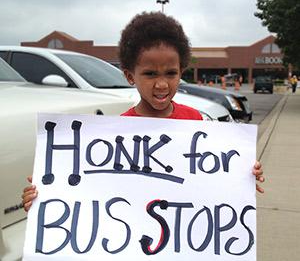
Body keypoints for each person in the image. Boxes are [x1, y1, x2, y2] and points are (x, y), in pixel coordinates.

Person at [22, 12, 264, 212]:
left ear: (181, 72)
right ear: (130, 76)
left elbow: (209, 177)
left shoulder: (195, 120)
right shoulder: (116, 134)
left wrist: (241, 176)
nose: (161, 84)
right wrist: (49, 193)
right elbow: (96, 189)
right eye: (150, 74)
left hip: (186, 237)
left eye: (171, 73)